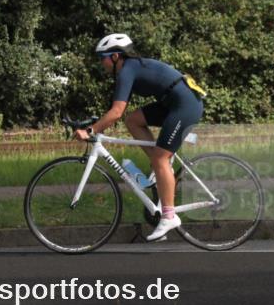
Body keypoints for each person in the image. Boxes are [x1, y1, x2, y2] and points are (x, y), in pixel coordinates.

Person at [73, 33, 204, 241]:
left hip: (184, 105)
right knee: (133, 120)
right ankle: (161, 168)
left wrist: (90, 131)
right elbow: (120, 114)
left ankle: (169, 216)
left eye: (103, 58)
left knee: (161, 158)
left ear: (116, 57)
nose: (101, 63)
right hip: (173, 102)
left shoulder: (127, 71)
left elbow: (116, 112)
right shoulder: (130, 69)